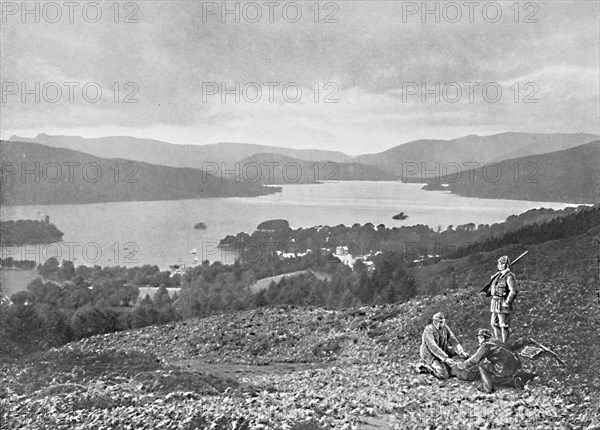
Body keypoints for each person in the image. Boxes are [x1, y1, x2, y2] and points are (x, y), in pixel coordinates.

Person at [457, 328, 524, 393]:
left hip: (502, 368)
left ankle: (487, 388)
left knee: (482, 364)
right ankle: (514, 381)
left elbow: (475, 359)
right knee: (493, 373)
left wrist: (462, 365)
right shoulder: (497, 341)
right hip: (513, 367)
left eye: (479, 339)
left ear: (482, 337)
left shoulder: (486, 345)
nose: (479, 341)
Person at [419, 312, 468, 379]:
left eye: (443, 322)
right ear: (435, 321)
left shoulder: (445, 328)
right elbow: (433, 347)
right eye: (440, 322)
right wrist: (445, 358)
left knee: (453, 368)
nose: (442, 324)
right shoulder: (428, 330)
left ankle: (445, 365)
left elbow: (453, 339)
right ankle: (427, 368)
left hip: (441, 351)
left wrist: (461, 352)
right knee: (443, 374)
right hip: (430, 354)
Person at [489, 255, 517, 344]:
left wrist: (507, 302)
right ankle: (498, 342)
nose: (498, 265)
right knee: (493, 323)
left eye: (500, 264)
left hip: (503, 302)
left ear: (504, 265)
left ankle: (504, 344)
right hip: (495, 302)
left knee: (503, 325)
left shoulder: (509, 276)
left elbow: (514, 291)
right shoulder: (498, 275)